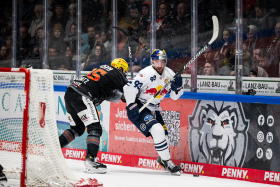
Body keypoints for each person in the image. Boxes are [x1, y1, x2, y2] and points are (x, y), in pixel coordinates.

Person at [59, 58, 129, 174]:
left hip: (70, 94)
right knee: (95, 128)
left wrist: (123, 96)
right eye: (124, 72)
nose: (124, 75)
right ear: (121, 69)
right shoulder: (116, 72)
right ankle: (90, 161)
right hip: (82, 95)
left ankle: (52, 152)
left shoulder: (104, 71)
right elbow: (129, 89)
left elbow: (108, 93)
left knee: (77, 129)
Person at [123, 49, 183, 175]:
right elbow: (128, 88)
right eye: (156, 62)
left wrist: (177, 89)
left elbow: (174, 97)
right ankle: (168, 162)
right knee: (157, 130)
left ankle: (162, 159)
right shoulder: (145, 73)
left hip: (154, 107)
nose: (160, 65)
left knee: (164, 137)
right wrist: (131, 105)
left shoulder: (170, 74)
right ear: (152, 61)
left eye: (162, 62)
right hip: (140, 106)